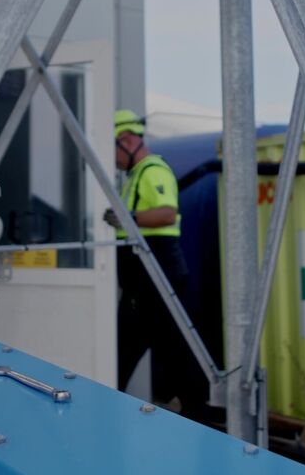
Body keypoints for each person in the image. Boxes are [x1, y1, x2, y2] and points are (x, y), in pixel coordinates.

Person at [103, 109, 204, 420]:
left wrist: (128, 218)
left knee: (169, 352)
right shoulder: (135, 176)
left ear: (129, 140)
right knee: (129, 351)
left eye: (114, 150)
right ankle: (195, 413)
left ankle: (198, 416)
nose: (115, 160)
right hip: (142, 282)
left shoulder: (152, 171)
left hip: (158, 277)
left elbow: (166, 214)